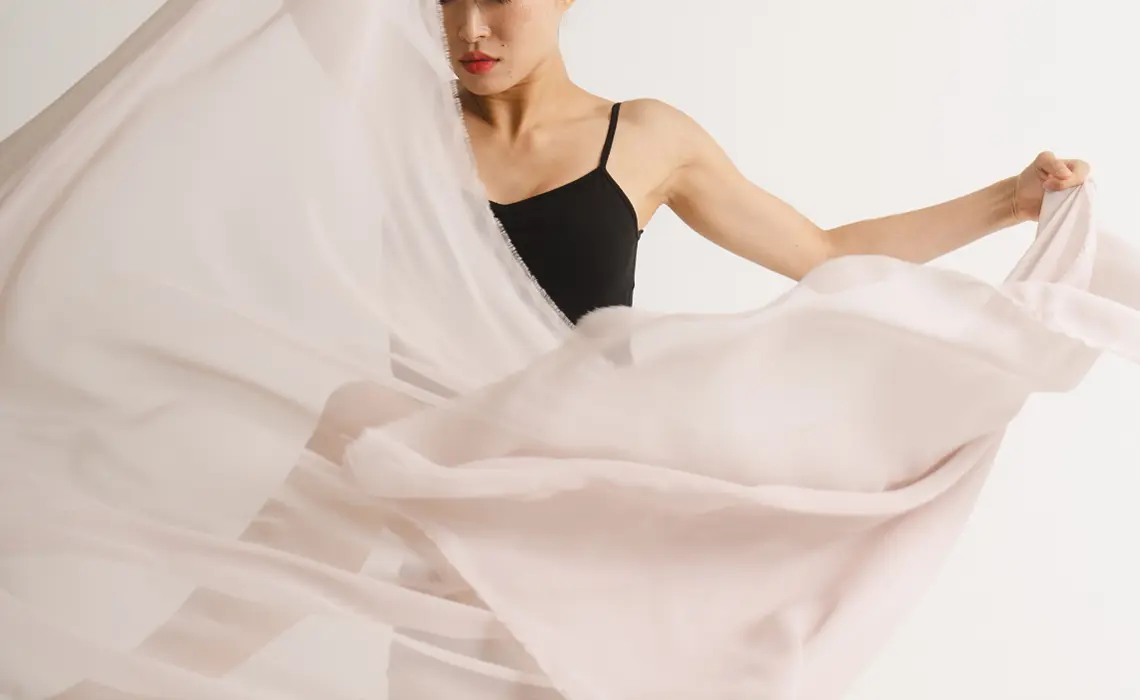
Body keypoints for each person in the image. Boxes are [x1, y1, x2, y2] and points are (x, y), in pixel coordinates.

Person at [442, 0, 1092, 323]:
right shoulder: (404, 132)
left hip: (581, 481)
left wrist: (1011, 201)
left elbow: (827, 256)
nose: (470, 27)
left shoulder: (644, 139)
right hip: (422, 483)